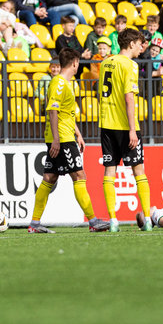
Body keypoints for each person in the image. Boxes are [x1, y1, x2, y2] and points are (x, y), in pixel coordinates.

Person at [28, 47, 111, 233]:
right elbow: (52, 110)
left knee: (49, 177)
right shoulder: (59, 83)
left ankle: (34, 223)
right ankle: (93, 221)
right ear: (74, 63)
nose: (78, 67)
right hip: (62, 139)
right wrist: (57, 140)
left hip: (64, 135)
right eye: (78, 63)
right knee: (79, 176)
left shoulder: (64, 83)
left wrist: (78, 134)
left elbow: (65, 113)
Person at [99, 29, 152, 233]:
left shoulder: (106, 62)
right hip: (124, 125)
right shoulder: (129, 65)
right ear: (131, 44)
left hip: (106, 124)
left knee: (109, 172)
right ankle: (147, 219)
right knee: (139, 171)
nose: (142, 47)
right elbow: (129, 98)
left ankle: (113, 220)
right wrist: (132, 130)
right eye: (140, 43)